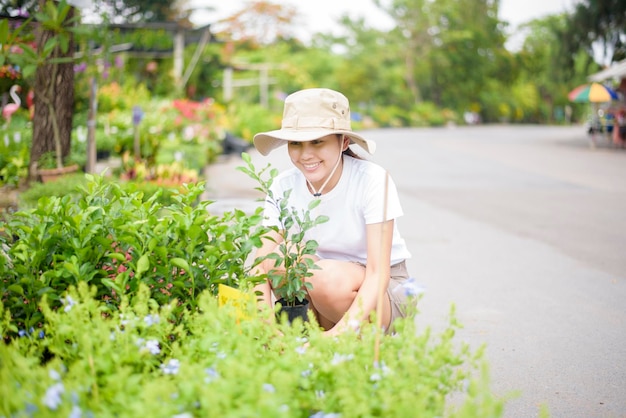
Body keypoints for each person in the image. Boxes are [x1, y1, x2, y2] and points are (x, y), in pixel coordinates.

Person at [251, 88, 414, 336]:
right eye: (296, 143)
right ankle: (303, 343)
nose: (306, 155)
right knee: (280, 260)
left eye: (318, 141)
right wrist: (266, 325)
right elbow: (260, 263)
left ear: (344, 141)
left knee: (326, 278)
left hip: (383, 290)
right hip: (321, 279)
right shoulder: (283, 185)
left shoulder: (371, 180)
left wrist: (337, 337)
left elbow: (378, 273)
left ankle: (352, 345)